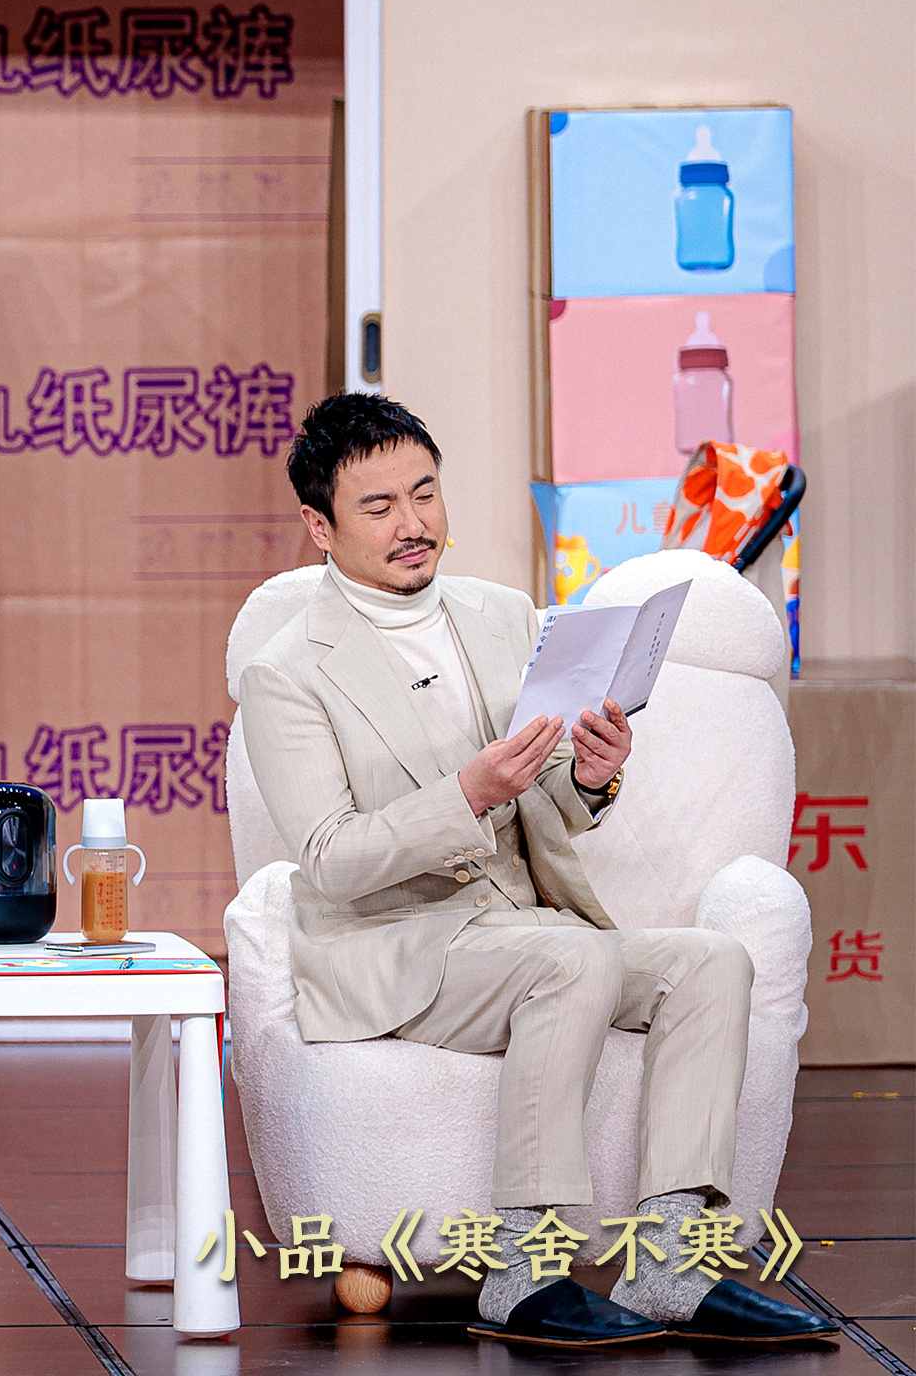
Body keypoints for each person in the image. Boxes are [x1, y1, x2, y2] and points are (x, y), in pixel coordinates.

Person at [239, 394, 829, 1349]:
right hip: (389, 947)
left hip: (521, 927)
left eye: (424, 493)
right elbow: (331, 859)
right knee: (574, 961)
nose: (413, 523)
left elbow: (544, 793)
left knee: (712, 963)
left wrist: (590, 776)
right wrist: (466, 794)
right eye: (379, 506)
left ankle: (672, 1267)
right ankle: (522, 1271)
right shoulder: (287, 670)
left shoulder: (502, 615)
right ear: (320, 525)